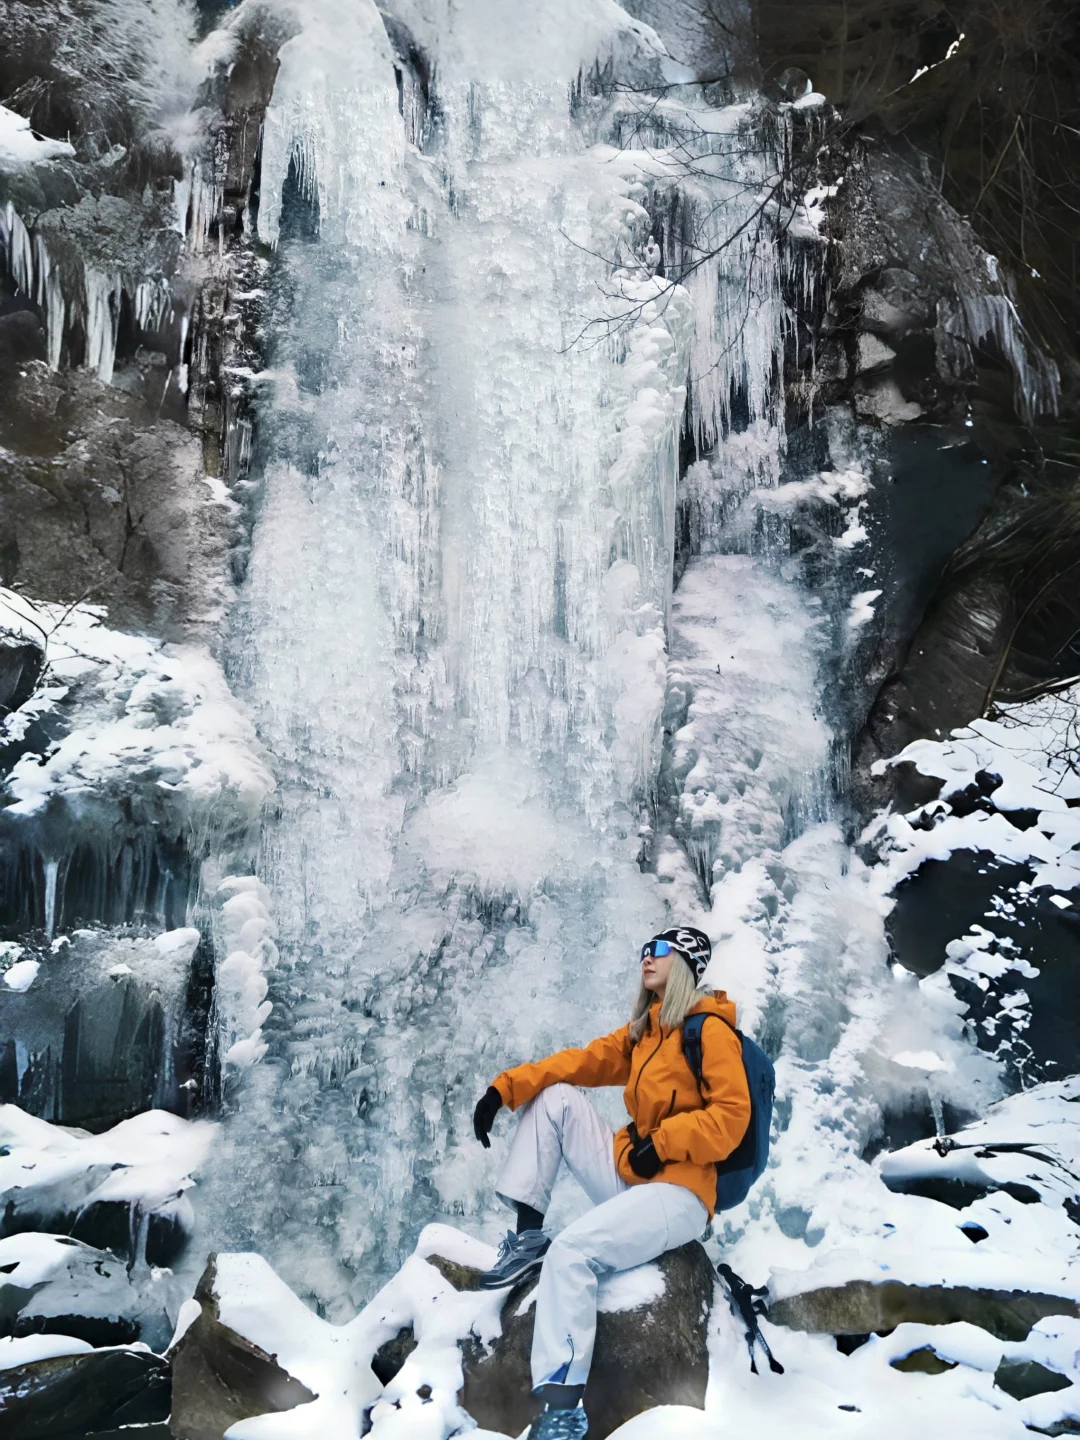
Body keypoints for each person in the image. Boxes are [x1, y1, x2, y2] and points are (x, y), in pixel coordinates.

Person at [471, 926, 751, 1440]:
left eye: (660, 950)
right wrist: (503, 1089)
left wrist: (663, 1143)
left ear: (686, 963)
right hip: (636, 1178)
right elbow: (577, 1063)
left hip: (682, 1195)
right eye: (644, 948)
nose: (647, 957)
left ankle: (561, 1414)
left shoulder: (709, 1031)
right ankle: (528, 1234)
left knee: (573, 1254)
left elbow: (731, 1121)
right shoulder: (645, 1033)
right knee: (555, 1097)